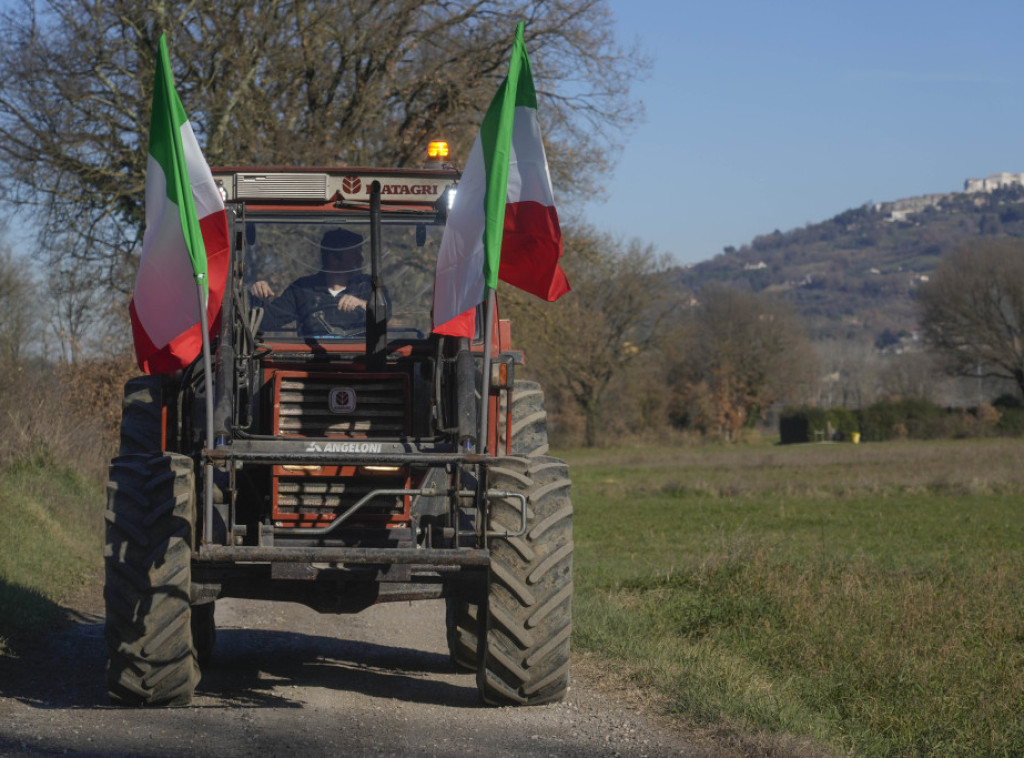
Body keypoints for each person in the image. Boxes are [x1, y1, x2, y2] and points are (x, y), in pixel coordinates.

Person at [250, 228, 383, 336]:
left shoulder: (371, 286)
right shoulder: (302, 289)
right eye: (355, 255)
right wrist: (257, 296)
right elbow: (266, 321)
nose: (360, 260)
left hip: (360, 357)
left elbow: (385, 315)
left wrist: (363, 304)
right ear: (334, 259)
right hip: (310, 357)